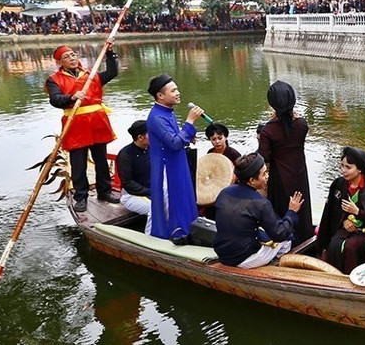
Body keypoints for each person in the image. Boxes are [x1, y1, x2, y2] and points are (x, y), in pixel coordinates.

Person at [44, 40, 120, 213]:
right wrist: (71, 97)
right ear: (59, 62)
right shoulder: (54, 80)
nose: (71, 58)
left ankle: (105, 191)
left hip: (97, 123)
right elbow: (55, 100)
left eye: (72, 54)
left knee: (101, 160)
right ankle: (81, 196)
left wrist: (110, 53)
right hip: (76, 125)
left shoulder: (90, 74)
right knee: (78, 164)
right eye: (66, 56)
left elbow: (113, 72)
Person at [213, 153, 302, 268]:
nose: (267, 176)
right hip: (242, 259)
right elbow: (279, 233)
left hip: (222, 253)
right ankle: (276, 267)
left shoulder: (224, 192)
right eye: (264, 173)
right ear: (252, 180)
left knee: (262, 231)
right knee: (288, 238)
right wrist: (292, 212)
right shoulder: (260, 203)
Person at [146, 73, 204, 240]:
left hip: (177, 163)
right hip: (167, 168)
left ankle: (187, 231)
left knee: (184, 197)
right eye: (173, 90)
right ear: (160, 95)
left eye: (177, 89)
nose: (178, 93)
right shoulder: (157, 117)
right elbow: (174, 143)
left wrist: (187, 134)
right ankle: (171, 235)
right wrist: (189, 123)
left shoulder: (167, 112)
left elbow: (175, 137)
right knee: (172, 202)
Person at [316, 147, 365, 273]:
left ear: (360, 169)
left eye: (348, 167)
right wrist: (344, 220)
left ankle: (352, 278)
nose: (343, 171)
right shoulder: (338, 185)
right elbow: (329, 213)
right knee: (334, 244)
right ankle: (334, 277)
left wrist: (358, 212)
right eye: (342, 166)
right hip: (344, 228)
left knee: (351, 247)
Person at [257, 80, 313, 245]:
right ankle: (306, 240)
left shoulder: (268, 130)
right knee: (302, 205)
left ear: (272, 104)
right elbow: (291, 125)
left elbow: (263, 158)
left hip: (279, 178)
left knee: (282, 209)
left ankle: (287, 244)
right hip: (300, 173)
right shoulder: (302, 124)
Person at [116, 120, 152, 234]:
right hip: (132, 196)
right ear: (140, 137)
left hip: (152, 192)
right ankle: (150, 240)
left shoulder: (152, 149)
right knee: (155, 209)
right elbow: (128, 183)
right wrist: (150, 192)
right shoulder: (125, 155)